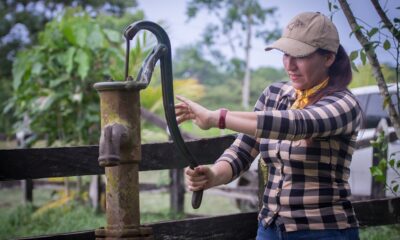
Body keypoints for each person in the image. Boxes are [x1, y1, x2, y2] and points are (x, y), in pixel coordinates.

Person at [175, 12, 361, 240]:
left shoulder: (344, 104)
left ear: (328, 58)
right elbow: (242, 150)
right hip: (270, 229)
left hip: (324, 230)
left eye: (300, 56)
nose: (289, 65)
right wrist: (213, 174)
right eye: (285, 54)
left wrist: (217, 118)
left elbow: (296, 124)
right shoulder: (274, 95)